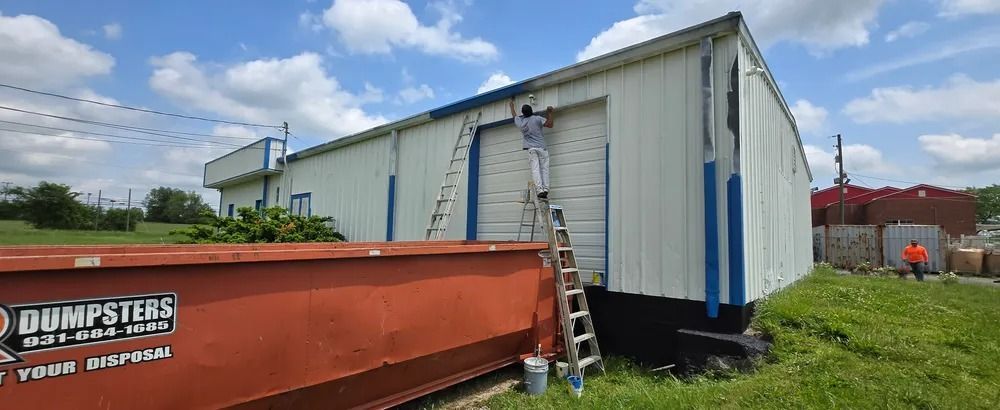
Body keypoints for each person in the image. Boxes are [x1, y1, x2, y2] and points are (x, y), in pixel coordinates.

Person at [510, 97, 554, 199]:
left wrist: (511, 105)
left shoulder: (520, 123)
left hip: (531, 149)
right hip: (541, 148)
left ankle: (540, 190)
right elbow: (550, 124)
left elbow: (514, 115)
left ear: (523, 113)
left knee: (535, 170)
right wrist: (550, 113)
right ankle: (546, 189)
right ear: (531, 111)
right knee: (544, 169)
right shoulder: (537, 118)